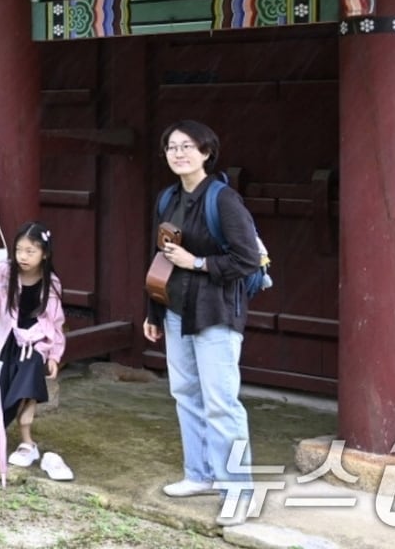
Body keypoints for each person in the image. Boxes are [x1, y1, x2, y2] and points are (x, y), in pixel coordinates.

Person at [143, 120, 257, 506]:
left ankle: (238, 490)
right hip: (175, 311)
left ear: (207, 152)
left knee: (221, 402)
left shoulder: (223, 199)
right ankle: (200, 474)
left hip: (216, 313)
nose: (178, 153)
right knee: (186, 394)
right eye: (172, 147)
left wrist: (198, 263)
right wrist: (153, 313)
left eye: (187, 146)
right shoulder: (167, 199)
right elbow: (160, 258)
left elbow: (247, 261)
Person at [0, 222, 68, 473]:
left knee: (29, 379)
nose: (23, 257)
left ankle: (27, 442)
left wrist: (54, 355)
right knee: (0, 395)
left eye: (31, 251)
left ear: (45, 254)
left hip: (35, 341)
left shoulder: (52, 283)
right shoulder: (4, 272)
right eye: (19, 250)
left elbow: (56, 322)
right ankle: (11, 432)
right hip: (6, 338)